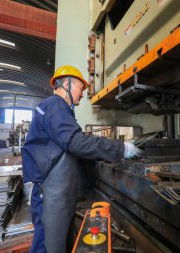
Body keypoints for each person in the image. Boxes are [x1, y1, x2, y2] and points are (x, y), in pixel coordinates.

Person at [22, 65, 141, 253]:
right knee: (48, 246)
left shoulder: (59, 110)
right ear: (67, 83)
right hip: (49, 194)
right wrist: (121, 148)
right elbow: (76, 142)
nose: (82, 93)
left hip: (58, 193)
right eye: (80, 87)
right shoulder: (54, 106)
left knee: (60, 243)